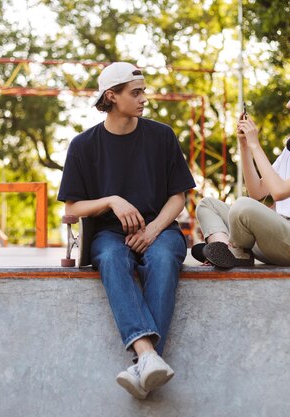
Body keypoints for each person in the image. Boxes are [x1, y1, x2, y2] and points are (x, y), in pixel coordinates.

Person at [57, 62, 196, 399]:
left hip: (160, 228)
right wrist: (111, 200)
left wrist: (152, 231)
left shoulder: (161, 135)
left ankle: (142, 360)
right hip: (109, 234)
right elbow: (71, 209)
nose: (143, 98)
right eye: (136, 92)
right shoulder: (83, 145)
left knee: (163, 257)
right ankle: (149, 358)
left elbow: (178, 197)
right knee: (111, 256)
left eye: (143, 91)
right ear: (112, 96)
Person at [194, 70, 290, 268]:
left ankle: (234, 251)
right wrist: (245, 147)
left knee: (242, 206)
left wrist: (256, 145)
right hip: (280, 237)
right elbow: (257, 192)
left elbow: (279, 192)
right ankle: (227, 249)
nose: (288, 105)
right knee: (207, 205)